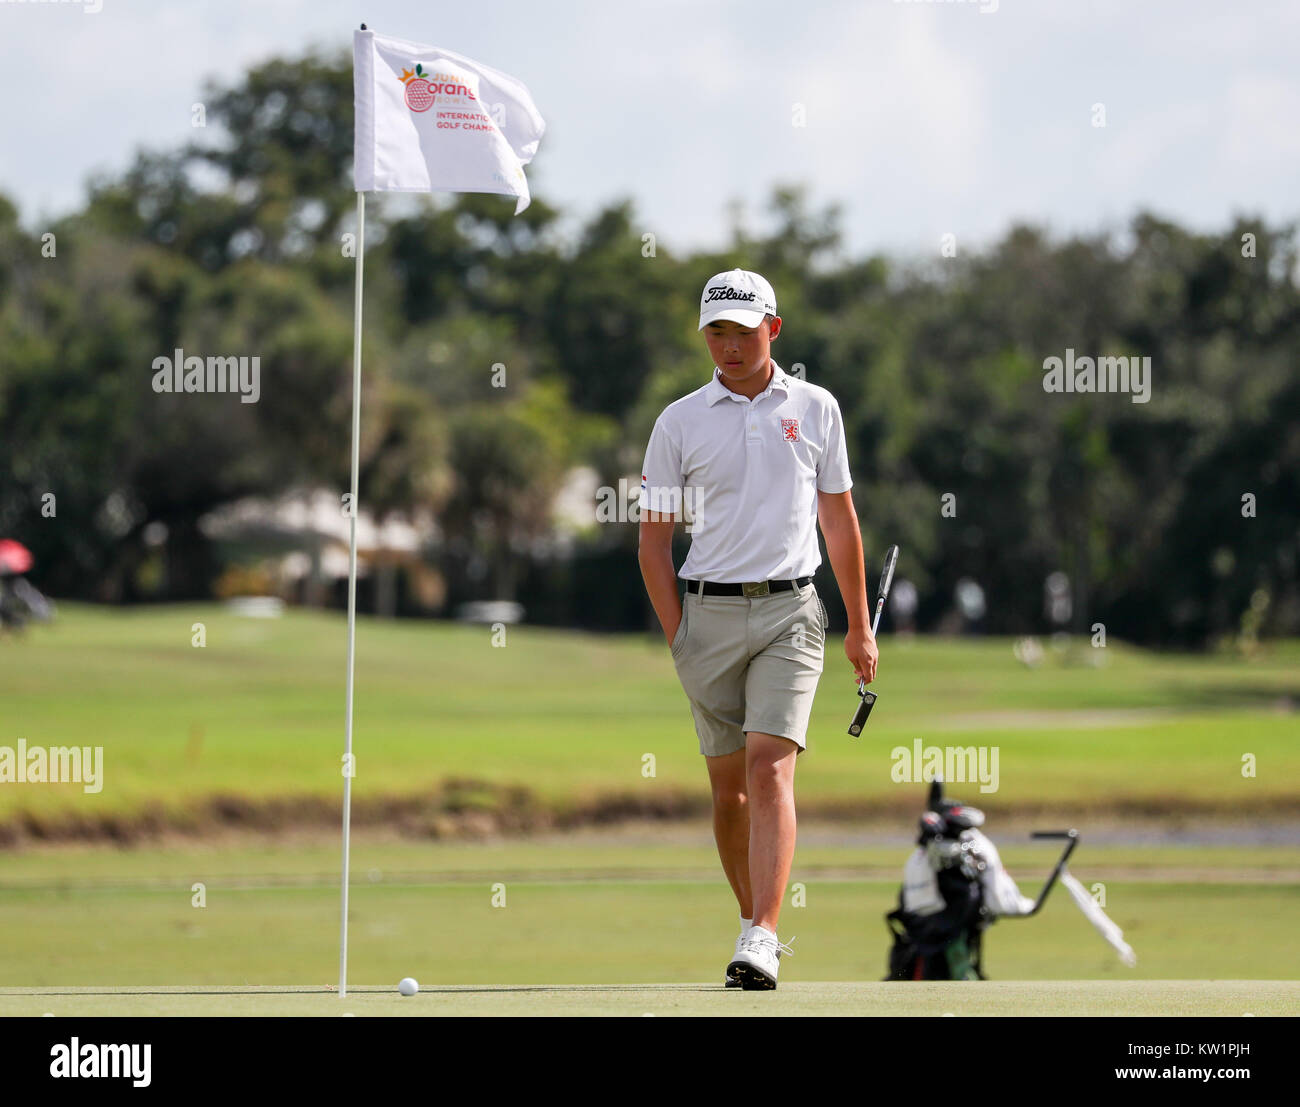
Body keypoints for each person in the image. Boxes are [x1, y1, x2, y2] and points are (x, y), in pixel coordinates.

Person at [637, 269, 876, 990]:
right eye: (717, 330)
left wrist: (859, 626)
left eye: (744, 329)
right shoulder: (679, 420)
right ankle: (752, 921)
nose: (730, 343)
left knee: (769, 768)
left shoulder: (816, 408)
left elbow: (838, 519)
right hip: (704, 614)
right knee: (729, 792)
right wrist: (680, 635)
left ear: (774, 328)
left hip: (790, 611)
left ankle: (765, 934)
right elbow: (653, 541)